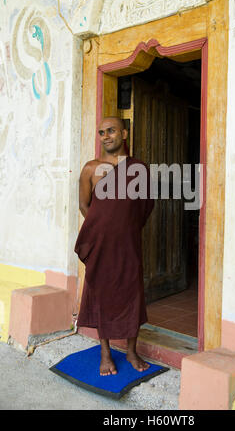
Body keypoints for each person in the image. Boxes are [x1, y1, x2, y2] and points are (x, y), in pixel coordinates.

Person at [74, 116, 154, 376]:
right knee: (101, 293)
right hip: (100, 244)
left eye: (111, 131)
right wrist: (102, 229)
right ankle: (105, 352)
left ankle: (131, 351)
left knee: (132, 292)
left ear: (124, 133)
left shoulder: (138, 168)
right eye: (101, 132)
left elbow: (144, 206)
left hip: (128, 243)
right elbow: (84, 205)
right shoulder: (91, 168)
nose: (106, 136)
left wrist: (124, 229)